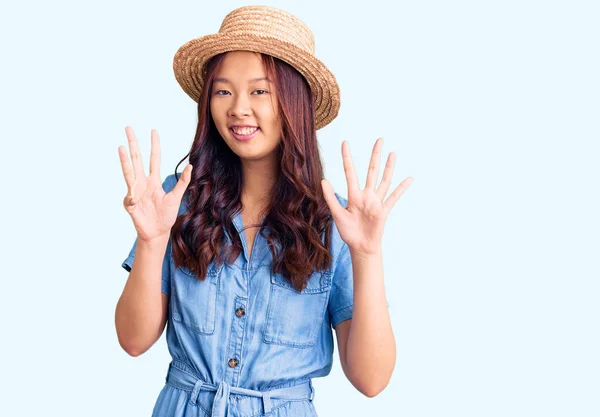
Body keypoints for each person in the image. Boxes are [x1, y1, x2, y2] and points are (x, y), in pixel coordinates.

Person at [115, 5, 413, 417]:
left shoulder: (335, 223)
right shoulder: (177, 201)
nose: (238, 108)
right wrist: (150, 243)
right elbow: (133, 340)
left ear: (294, 103)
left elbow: (371, 380)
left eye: (260, 91)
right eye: (223, 91)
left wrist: (367, 256)